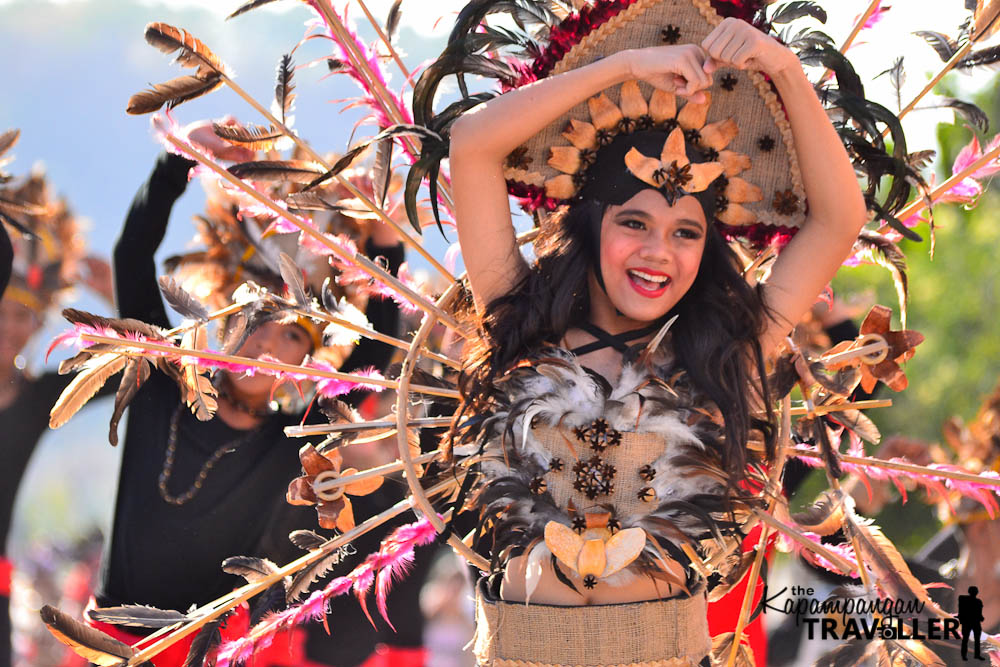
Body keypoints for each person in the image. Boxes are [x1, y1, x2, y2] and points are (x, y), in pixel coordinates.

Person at [443, 5, 867, 665]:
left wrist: (781, 66)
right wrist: (622, 67)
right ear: (592, 226)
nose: (658, 254)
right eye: (634, 222)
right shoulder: (522, 318)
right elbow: (472, 145)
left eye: (686, 232)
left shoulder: (729, 349)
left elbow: (839, 218)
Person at [85, 121, 427, 667]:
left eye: (291, 333)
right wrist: (180, 158)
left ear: (305, 361)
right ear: (225, 323)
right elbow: (132, 255)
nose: (265, 342)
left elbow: (376, 347)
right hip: (106, 649)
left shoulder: (289, 441)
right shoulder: (158, 387)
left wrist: (380, 234)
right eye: (253, 320)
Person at [0, 166, 114, 667]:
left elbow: (152, 366)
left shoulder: (50, 396)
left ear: (37, 322)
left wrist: (118, 298)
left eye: (22, 315)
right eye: (1, 309)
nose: (9, 326)